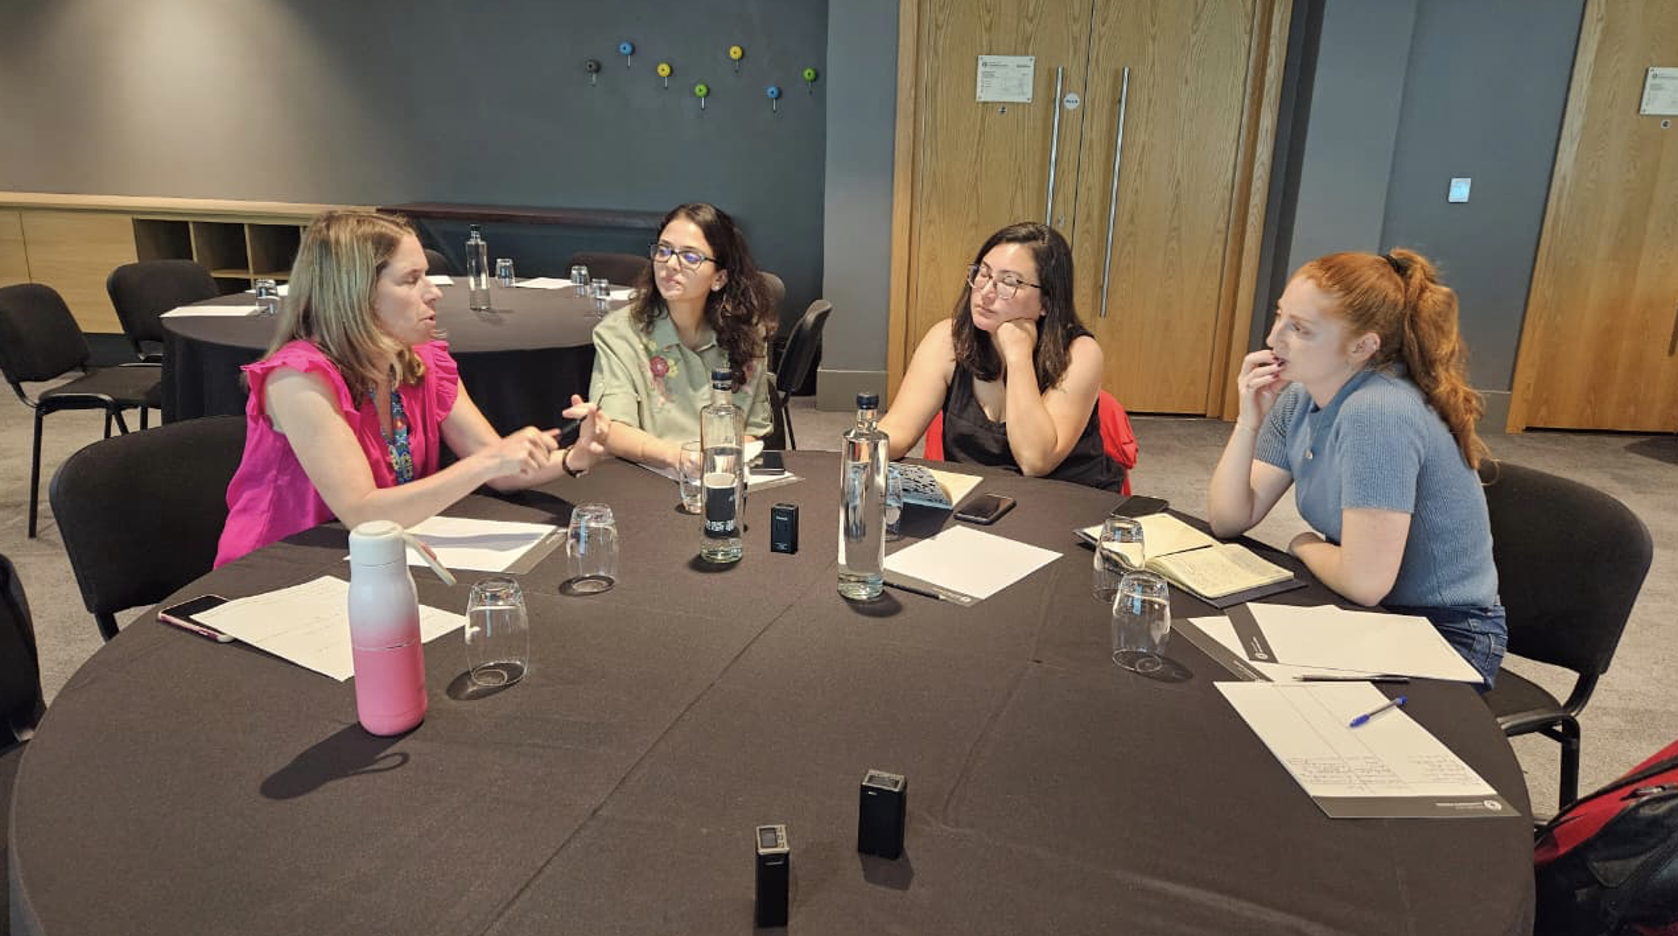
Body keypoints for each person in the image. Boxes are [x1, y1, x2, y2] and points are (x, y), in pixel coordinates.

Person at [215, 210, 610, 567]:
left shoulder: (419, 361)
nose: (433, 292)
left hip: (374, 562)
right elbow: (363, 514)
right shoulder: (299, 380)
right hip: (275, 572)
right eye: (411, 279)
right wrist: (490, 462)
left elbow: (501, 473)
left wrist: (572, 458)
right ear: (356, 294)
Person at [1206, 248, 1505, 685]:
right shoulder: (1302, 394)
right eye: (1279, 316)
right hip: (1372, 613)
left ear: (1362, 347)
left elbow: (1364, 582)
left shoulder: (1377, 411)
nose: (1273, 339)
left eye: (1300, 329)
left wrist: (1303, 543)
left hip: (1444, 632)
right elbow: (1229, 519)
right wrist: (1248, 420)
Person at [876, 222, 1125, 491]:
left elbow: (1035, 461)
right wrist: (864, 449)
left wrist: (1018, 354)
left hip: (1062, 504)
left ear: (1046, 303)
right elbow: (898, 430)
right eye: (982, 274)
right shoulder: (947, 339)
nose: (985, 292)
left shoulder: (1081, 353)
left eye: (1009, 282)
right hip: (976, 504)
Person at [588, 202, 776, 469]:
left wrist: (717, 467)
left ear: (719, 278)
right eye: (664, 251)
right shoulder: (619, 333)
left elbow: (754, 427)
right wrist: (677, 457)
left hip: (723, 474)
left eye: (690, 256)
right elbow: (612, 428)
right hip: (647, 473)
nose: (670, 264)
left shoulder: (747, 333)